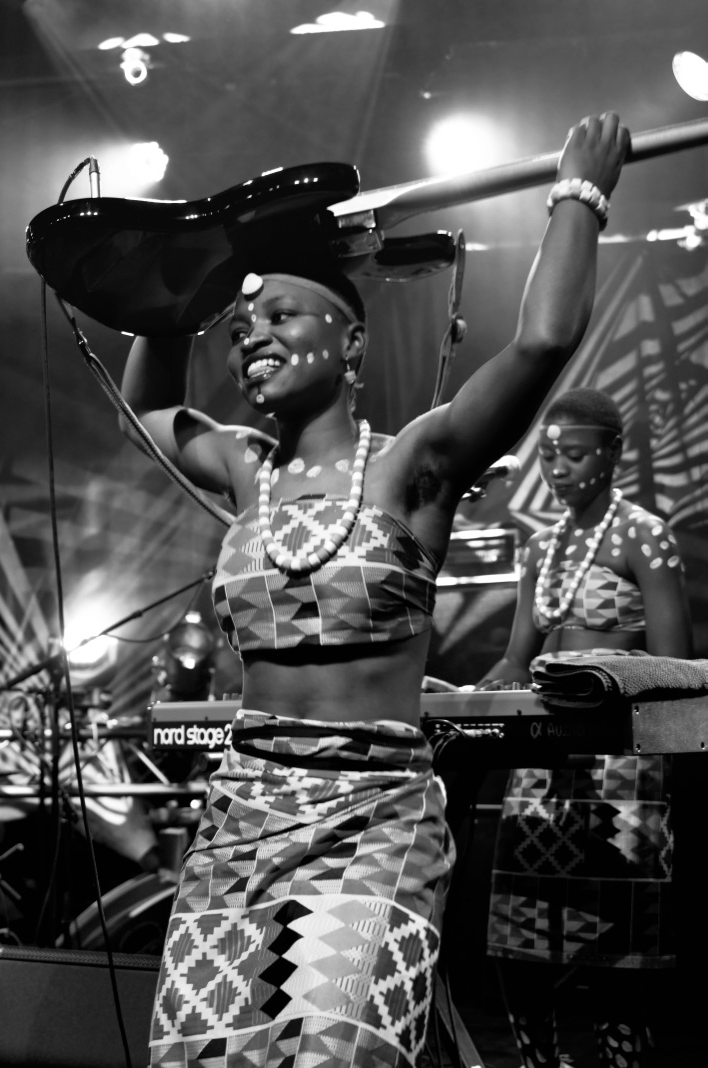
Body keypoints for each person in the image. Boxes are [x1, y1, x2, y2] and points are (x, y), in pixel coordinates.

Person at [119, 116, 629, 1068]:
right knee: (202, 1058)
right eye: (240, 328)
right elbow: (144, 408)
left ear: (352, 343)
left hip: (373, 818)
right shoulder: (243, 468)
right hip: (241, 815)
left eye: (281, 317)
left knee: (336, 1051)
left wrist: (579, 193)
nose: (253, 336)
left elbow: (542, 341)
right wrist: (171, 287)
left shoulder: (413, 466)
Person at [480, 387, 693, 1068]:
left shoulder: (644, 537)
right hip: (543, 765)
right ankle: (540, 1064)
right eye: (549, 457)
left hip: (619, 768)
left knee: (614, 954)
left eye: (574, 455)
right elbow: (517, 660)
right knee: (519, 943)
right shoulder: (540, 548)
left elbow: (675, 667)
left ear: (613, 452)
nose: (558, 469)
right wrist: (464, 693)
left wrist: (599, 681)